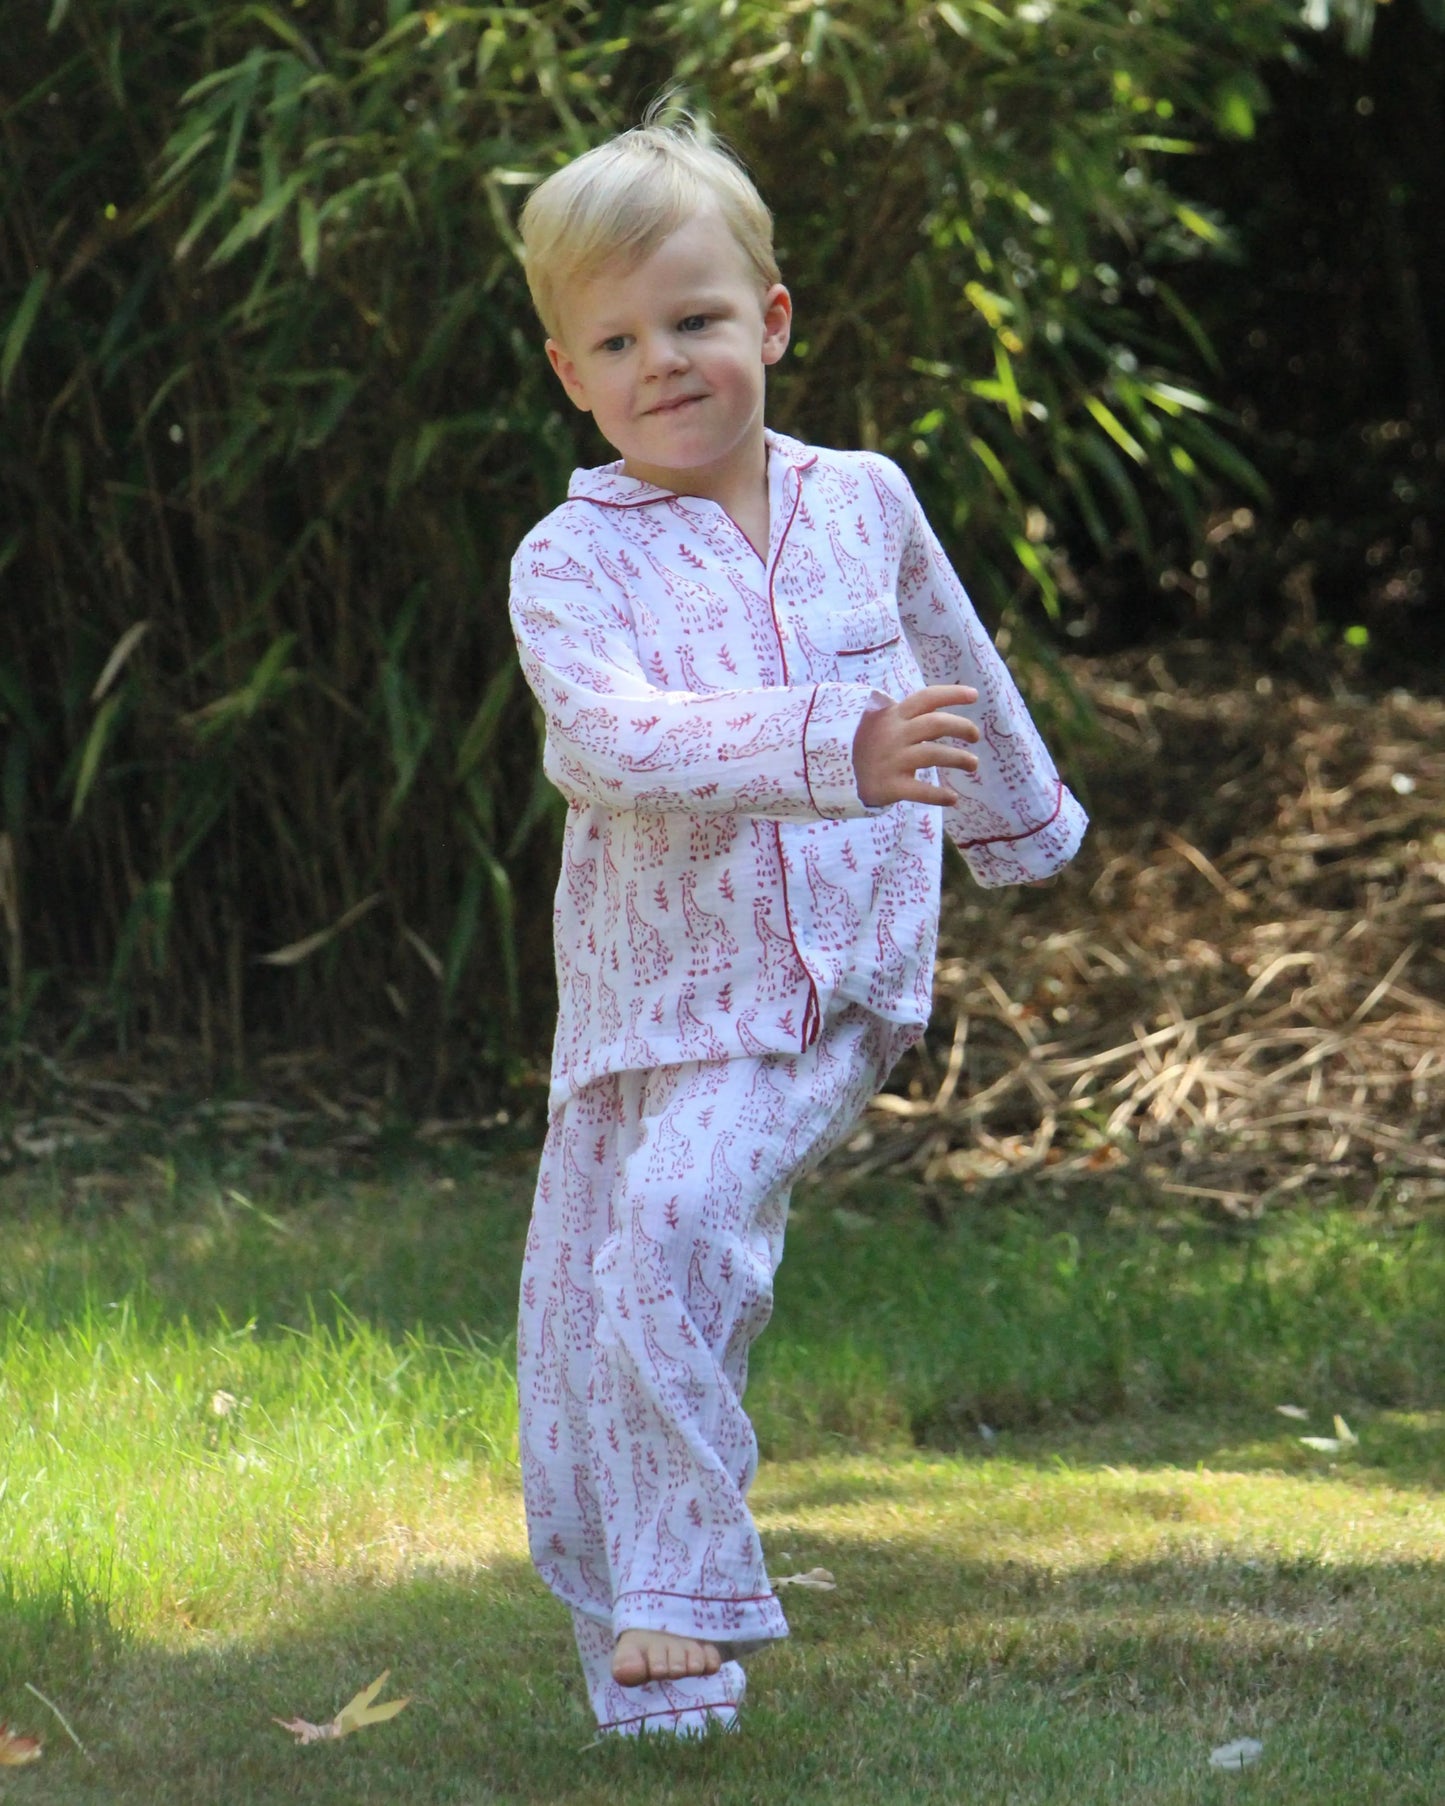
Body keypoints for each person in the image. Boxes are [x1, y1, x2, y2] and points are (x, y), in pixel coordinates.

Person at [507, 112, 1087, 1739]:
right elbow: (606, 741)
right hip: (635, 1002)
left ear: (768, 321)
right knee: (579, 1327)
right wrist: (836, 743)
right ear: (569, 374)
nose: (661, 363)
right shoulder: (568, 562)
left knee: (674, 1222)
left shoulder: (863, 499)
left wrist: (1020, 831)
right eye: (617, 341)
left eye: (692, 320)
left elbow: (946, 655)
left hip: (825, 978)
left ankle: (685, 1592)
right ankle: (645, 1680)